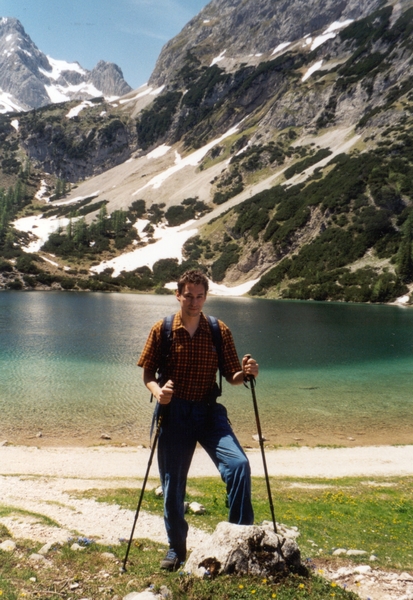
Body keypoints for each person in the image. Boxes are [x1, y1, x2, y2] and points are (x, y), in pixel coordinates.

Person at [137, 269, 259, 571]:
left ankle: (239, 538)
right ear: (178, 295)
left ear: (206, 296)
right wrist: (158, 392)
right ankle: (176, 549)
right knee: (172, 485)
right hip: (173, 412)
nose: (194, 301)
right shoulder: (162, 329)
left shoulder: (219, 330)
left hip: (208, 412)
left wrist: (246, 374)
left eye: (200, 295)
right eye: (188, 295)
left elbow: (232, 375)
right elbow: (148, 375)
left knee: (239, 466)